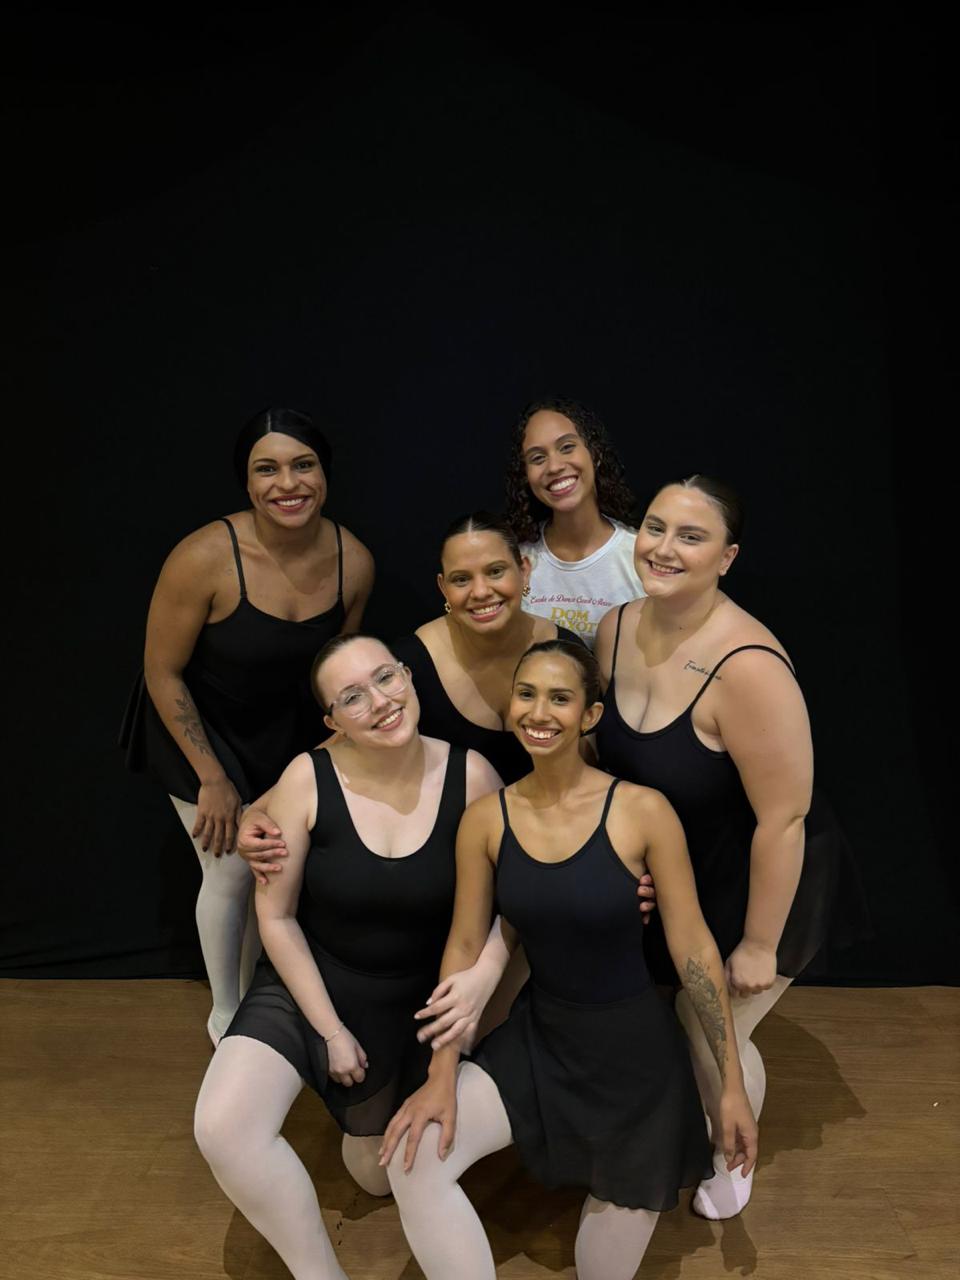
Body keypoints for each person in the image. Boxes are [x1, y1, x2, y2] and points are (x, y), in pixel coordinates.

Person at [380, 640, 756, 1280]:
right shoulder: (486, 820)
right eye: (527, 694)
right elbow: (465, 948)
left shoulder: (643, 811)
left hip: (634, 1066)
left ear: (589, 715)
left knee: (598, 1269)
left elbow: (693, 951)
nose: (539, 711)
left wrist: (730, 1088)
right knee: (410, 1161)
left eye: (560, 697)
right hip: (540, 1040)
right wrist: (442, 1070)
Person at [193, 634, 503, 1280]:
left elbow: (514, 905)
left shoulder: (472, 777)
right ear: (332, 720)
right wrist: (330, 1030)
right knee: (222, 1126)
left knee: (378, 1175)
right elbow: (273, 917)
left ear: (410, 678)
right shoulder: (307, 779)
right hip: (316, 979)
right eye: (353, 697)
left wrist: (478, 990)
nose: (381, 702)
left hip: (420, 1000)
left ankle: (363, 1130)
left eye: (386, 678)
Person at [593, 474, 847, 1219]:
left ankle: (734, 1156)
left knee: (711, 1026)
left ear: (727, 558)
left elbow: (784, 821)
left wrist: (759, 944)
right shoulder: (612, 628)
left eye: (691, 536)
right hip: (681, 864)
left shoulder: (750, 668)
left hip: (761, 871)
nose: (663, 548)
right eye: (655, 526)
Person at [119, 407, 374, 1045]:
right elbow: (160, 670)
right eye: (267, 469)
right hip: (197, 727)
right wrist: (212, 778)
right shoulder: (204, 556)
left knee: (280, 864)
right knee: (233, 868)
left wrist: (318, 759)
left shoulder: (354, 562)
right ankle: (227, 1016)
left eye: (303, 465)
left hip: (283, 732)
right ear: (247, 482)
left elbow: (334, 673)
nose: (288, 483)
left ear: (325, 473)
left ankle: (267, 997)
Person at [505, 397, 644, 648]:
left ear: (595, 453)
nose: (555, 466)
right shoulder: (516, 558)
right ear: (525, 476)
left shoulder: (640, 556)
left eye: (567, 447)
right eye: (537, 458)